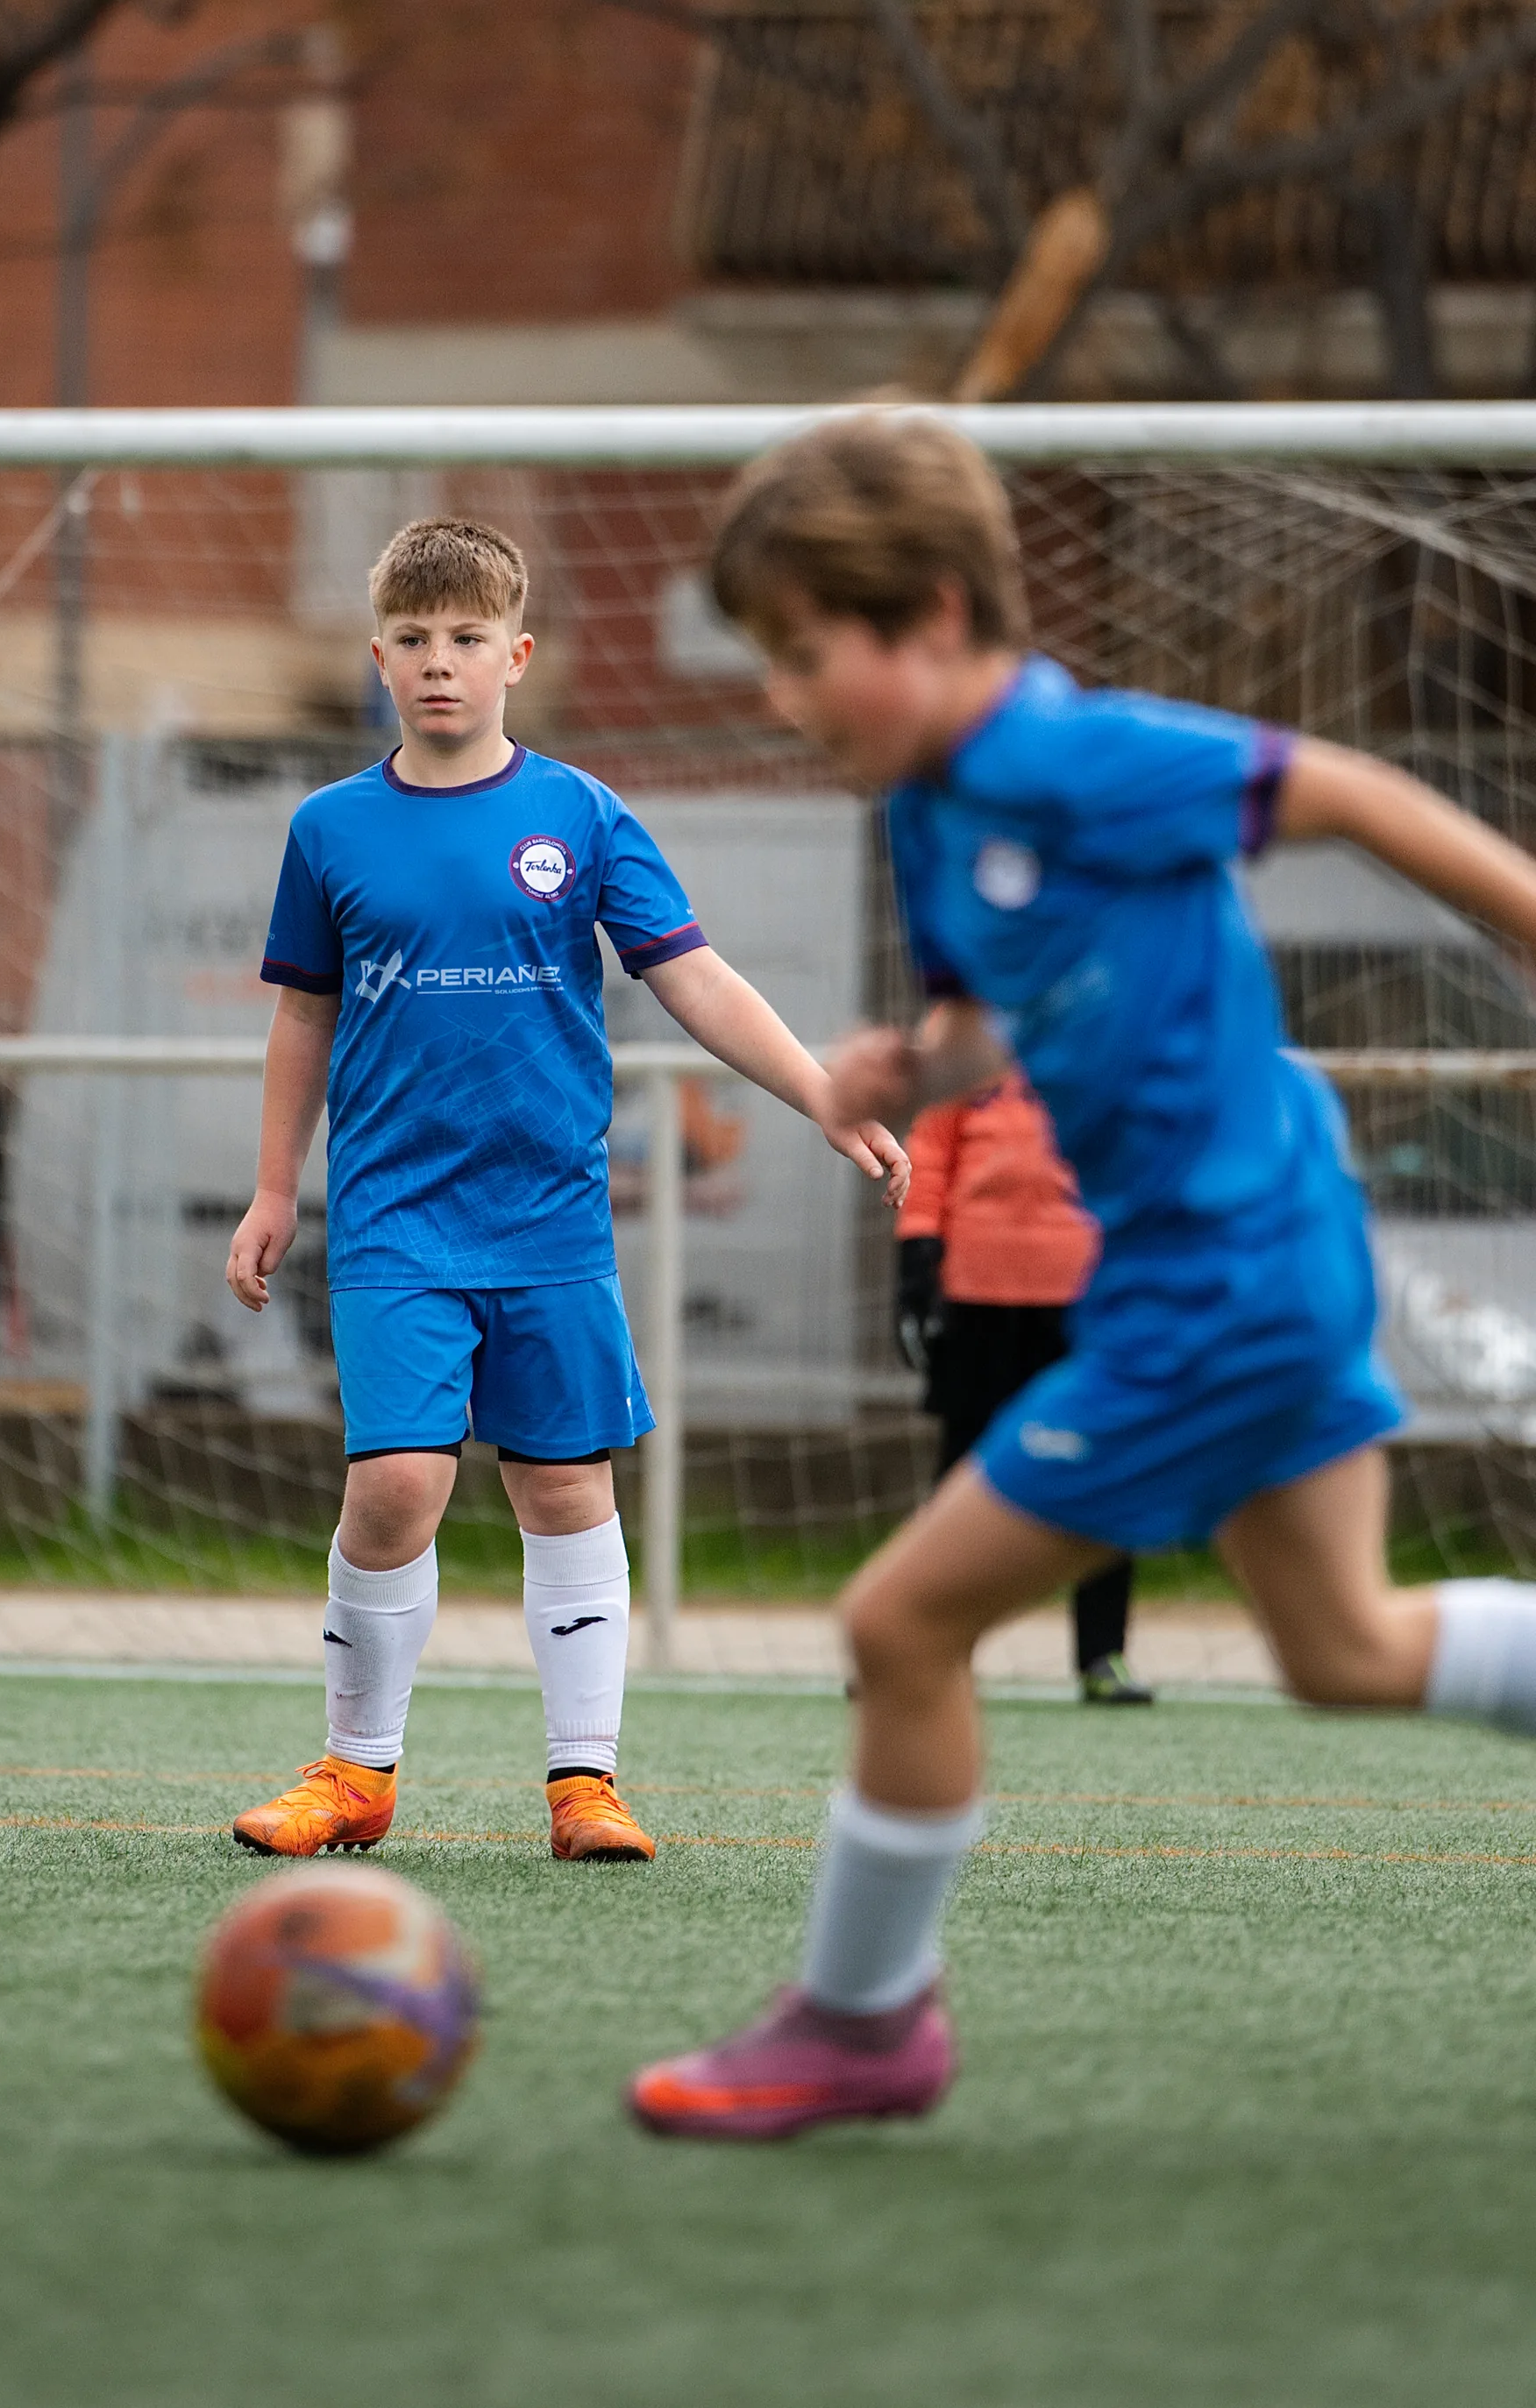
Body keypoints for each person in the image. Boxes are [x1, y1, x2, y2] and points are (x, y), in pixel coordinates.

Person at [628, 409, 1536, 2138]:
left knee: (901, 1619)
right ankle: (863, 2021)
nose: (781, 696)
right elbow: (990, 1022)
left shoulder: (1079, 757)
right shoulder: (925, 808)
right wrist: (918, 1066)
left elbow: (1347, 790)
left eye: (808, 654)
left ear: (942, 617)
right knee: (1343, 1646)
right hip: (1233, 1256)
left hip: (1231, 1280)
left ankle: (863, 2020)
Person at [224, 515, 908, 1865]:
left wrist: (822, 1090)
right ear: (377, 656)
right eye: (413, 641)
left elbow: (692, 975)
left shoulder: (583, 814)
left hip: (547, 1219)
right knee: (399, 1486)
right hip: (393, 1217)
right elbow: (302, 1018)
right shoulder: (329, 828)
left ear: (515, 654)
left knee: (562, 1488)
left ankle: (583, 1782)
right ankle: (356, 1773)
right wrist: (271, 1188)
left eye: (466, 639)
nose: (439, 663)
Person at [898, 1075, 1152, 1703]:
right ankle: (927, 1647)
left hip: (1087, 1294)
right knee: (960, 1477)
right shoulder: (968, 1028)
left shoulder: (1110, 1028)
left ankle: (1102, 1652)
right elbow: (931, 1147)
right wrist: (917, 1253)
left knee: (1106, 1468)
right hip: (976, 1294)